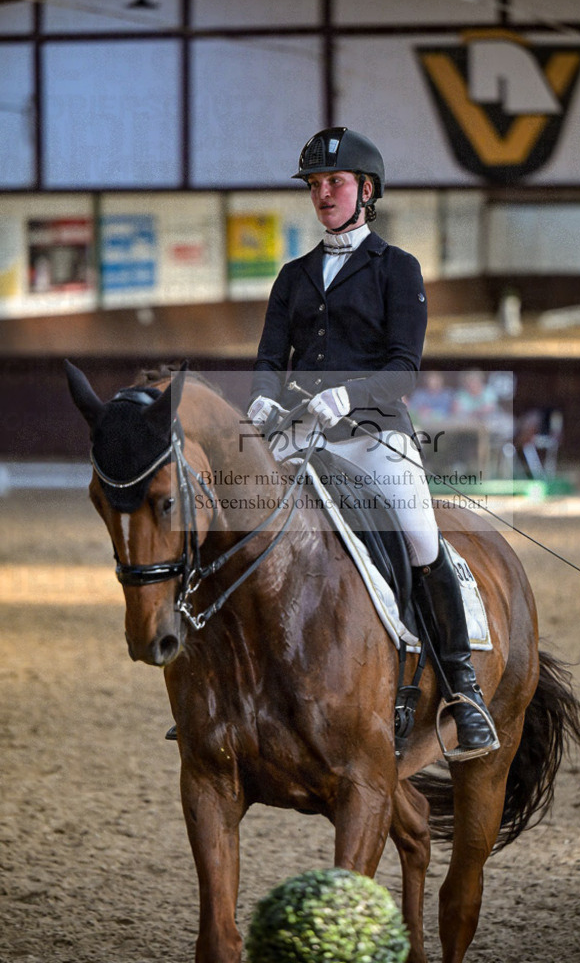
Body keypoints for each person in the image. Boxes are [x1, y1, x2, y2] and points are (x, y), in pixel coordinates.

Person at [247, 127, 497, 760]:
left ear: (365, 191)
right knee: (236, 525)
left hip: (372, 436)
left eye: (335, 183)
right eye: (315, 185)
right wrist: (260, 398)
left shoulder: (397, 269)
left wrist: (350, 395)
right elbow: (270, 358)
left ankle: (462, 689)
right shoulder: (294, 276)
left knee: (419, 538)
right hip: (299, 437)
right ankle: (226, 679)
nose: (324, 194)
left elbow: (404, 368)